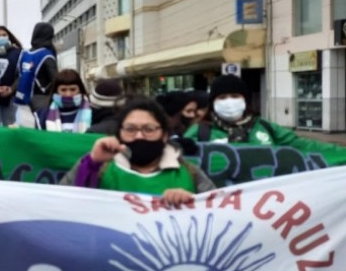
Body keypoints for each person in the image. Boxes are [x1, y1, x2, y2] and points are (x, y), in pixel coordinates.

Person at [59, 98, 214, 204]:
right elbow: (61, 204)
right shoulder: (99, 167)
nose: (139, 136)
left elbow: (217, 211)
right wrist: (92, 163)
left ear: (165, 135)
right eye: (130, 129)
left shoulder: (190, 172)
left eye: (149, 129)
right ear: (119, 133)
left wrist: (192, 203)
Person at [185, 75, 346, 153]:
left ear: (245, 101)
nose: (229, 101)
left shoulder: (265, 127)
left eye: (235, 96)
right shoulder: (200, 132)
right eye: (222, 97)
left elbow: (306, 146)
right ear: (213, 103)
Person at [14, 22, 58, 116]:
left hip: (22, 96)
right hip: (41, 99)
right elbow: (56, 80)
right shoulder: (47, 55)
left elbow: (18, 76)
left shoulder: (24, 54)